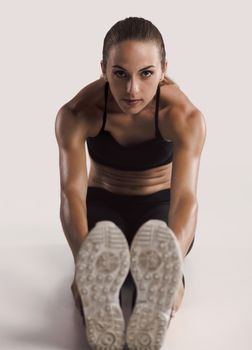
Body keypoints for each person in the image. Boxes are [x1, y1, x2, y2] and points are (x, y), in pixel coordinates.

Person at [55, 16, 206, 350]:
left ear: (163, 69)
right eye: (120, 74)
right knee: (102, 263)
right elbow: (72, 194)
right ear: (103, 69)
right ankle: (95, 302)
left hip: (160, 204)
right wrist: (83, 264)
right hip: (104, 202)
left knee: (152, 271)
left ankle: (165, 298)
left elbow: (185, 199)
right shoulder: (78, 113)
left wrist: (173, 260)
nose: (132, 89)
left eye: (146, 73)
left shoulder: (183, 116)